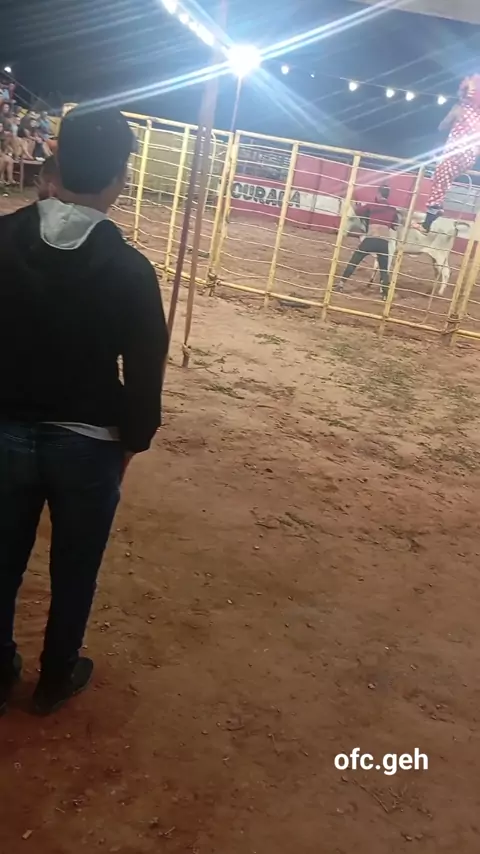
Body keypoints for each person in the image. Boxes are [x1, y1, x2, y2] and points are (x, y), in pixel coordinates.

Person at [0, 106, 169, 716]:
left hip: (4, 430)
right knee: (76, 564)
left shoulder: (2, 237)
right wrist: (134, 439)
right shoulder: (130, 269)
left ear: (55, 162)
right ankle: (57, 673)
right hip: (89, 439)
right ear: (120, 179)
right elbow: (145, 368)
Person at [418, 74, 480, 233]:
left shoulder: (460, 108)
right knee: (443, 179)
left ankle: (428, 221)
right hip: (469, 157)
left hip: (455, 153)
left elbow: (443, 125)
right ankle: (434, 211)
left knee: (439, 179)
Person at [339, 186, 399, 299]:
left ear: (379, 194)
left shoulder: (372, 206)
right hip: (383, 242)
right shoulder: (392, 210)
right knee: (384, 269)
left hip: (371, 239)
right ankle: (385, 294)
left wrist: (353, 201)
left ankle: (341, 284)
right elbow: (395, 227)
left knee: (354, 261)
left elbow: (357, 212)